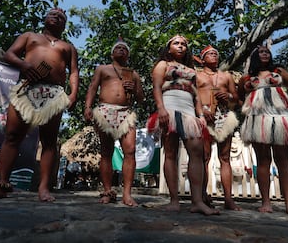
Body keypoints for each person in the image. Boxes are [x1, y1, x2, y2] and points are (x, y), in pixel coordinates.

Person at [0, 7, 79, 202]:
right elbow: (10, 55)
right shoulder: (29, 36)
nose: (56, 18)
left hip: (54, 93)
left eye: (61, 17)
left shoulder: (68, 47)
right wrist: (24, 65)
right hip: (27, 89)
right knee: (13, 136)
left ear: (64, 25)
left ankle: (43, 188)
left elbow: (74, 72)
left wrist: (73, 94)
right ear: (45, 19)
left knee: (49, 141)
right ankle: (1, 184)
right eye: (53, 15)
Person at [147, 35, 219, 215]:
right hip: (169, 107)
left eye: (184, 44)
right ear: (169, 47)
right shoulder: (162, 65)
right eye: (176, 43)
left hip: (189, 112)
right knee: (170, 153)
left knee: (197, 152)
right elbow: (156, 88)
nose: (180, 46)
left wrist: (200, 115)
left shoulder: (191, 69)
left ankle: (197, 201)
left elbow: (195, 96)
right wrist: (161, 109)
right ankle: (174, 201)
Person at [237, 45, 288, 215]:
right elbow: (239, 96)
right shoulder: (246, 78)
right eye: (261, 52)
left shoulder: (279, 71)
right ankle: (266, 202)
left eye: (267, 51)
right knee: (263, 160)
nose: (265, 53)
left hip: (281, 117)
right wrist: (247, 108)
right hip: (258, 119)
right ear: (254, 56)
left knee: (283, 160)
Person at [84, 37, 144, 207]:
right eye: (118, 48)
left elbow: (140, 98)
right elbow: (93, 88)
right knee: (106, 151)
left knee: (130, 150)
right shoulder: (103, 69)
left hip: (126, 113)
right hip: (105, 110)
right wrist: (88, 107)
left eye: (124, 49)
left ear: (128, 54)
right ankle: (108, 191)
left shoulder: (133, 74)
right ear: (112, 53)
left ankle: (127, 194)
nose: (121, 50)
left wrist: (134, 89)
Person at [196, 45, 241, 211]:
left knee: (225, 157)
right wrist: (201, 111)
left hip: (223, 115)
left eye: (216, 53)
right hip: (205, 116)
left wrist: (228, 96)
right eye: (210, 54)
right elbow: (193, 96)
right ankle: (202, 195)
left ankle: (228, 199)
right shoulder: (197, 75)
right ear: (203, 59)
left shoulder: (226, 76)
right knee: (204, 157)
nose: (214, 55)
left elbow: (236, 97)